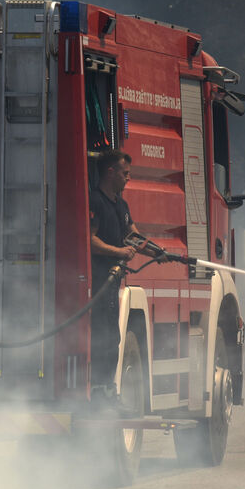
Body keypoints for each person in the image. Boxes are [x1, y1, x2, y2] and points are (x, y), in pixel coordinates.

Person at [89, 149, 140, 402]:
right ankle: (98, 391)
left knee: (113, 337)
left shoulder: (121, 205)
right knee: (101, 336)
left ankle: (107, 390)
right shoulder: (95, 200)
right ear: (110, 172)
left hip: (112, 283)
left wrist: (160, 252)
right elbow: (89, 240)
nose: (128, 178)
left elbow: (134, 234)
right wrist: (119, 251)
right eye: (125, 173)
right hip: (98, 282)